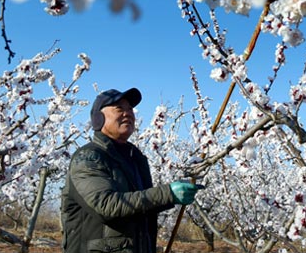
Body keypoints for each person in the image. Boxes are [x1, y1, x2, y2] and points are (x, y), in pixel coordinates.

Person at [61, 87, 202, 253]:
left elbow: (139, 205)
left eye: (130, 109)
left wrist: (171, 198)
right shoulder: (88, 157)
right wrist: (167, 193)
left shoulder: (135, 159)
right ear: (98, 118)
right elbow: (106, 205)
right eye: (119, 109)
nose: (127, 113)